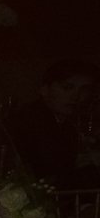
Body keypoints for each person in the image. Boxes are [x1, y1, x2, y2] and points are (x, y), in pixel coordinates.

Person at [8, 57, 99, 190]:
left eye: (84, 90)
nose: (75, 96)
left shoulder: (65, 124)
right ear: (45, 89)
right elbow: (51, 178)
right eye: (67, 88)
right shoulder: (29, 122)